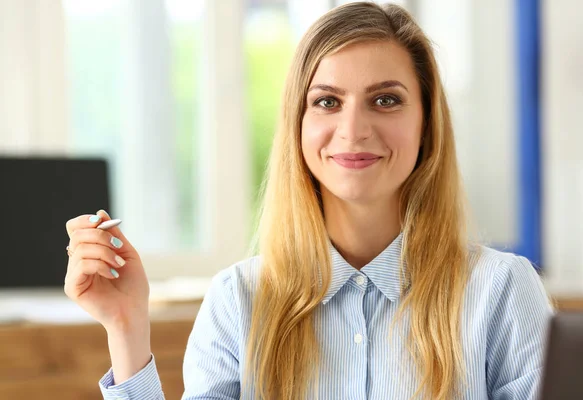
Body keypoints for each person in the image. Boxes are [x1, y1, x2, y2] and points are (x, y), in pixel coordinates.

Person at [64, 2, 553, 399]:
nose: (354, 129)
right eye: (327, 101)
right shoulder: (237, 300)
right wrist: (126, 328)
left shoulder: (502, 293)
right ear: (297, 125)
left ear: (426, 124)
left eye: (386, 99)